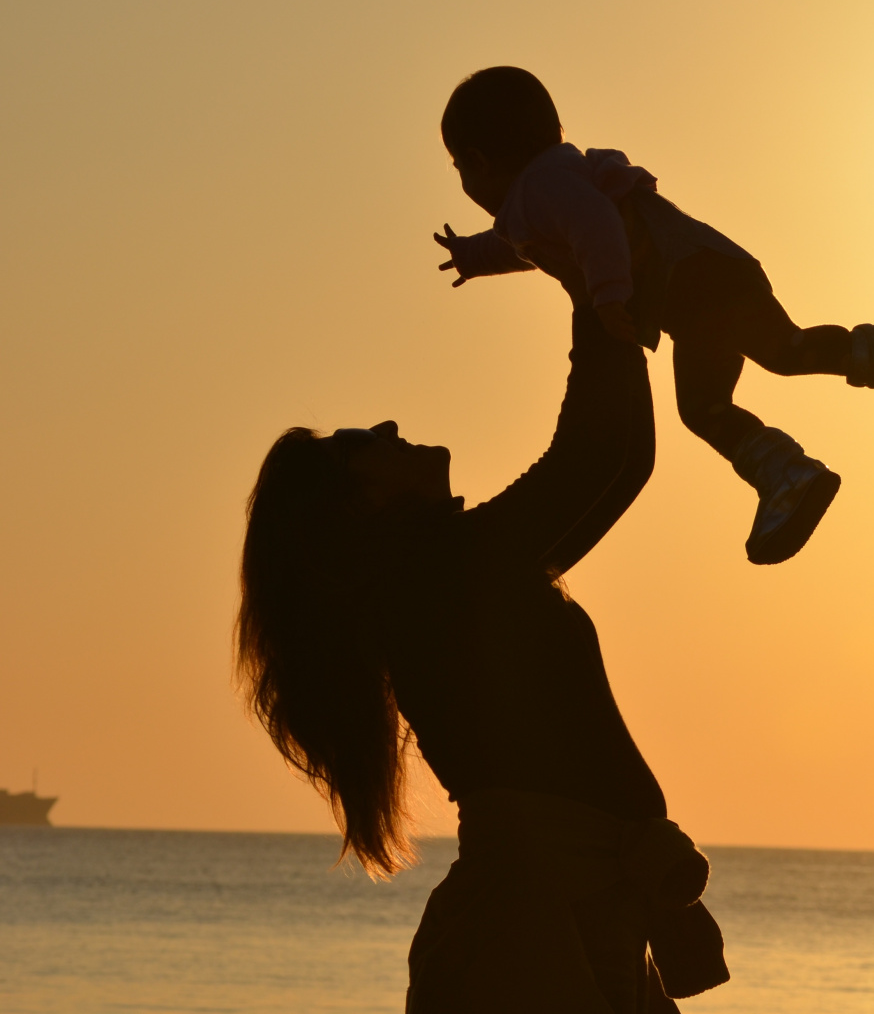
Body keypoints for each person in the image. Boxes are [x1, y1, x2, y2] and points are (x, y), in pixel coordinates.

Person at [236, 291, 724, 1012]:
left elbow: (621, 466)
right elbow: (595, 459)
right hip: (530, 927)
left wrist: (609, 298)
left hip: (564, 916)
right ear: (354, 506)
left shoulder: (458, 575)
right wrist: (592, 282)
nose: (388, 425)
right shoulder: (444, 575)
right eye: (360, 443)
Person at [432, 66, 874, 565]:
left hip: (699, 277)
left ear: (478, 161)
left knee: (779, 353)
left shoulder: (542, 189)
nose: (463, 181)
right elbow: (520, 245)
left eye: (459, 168)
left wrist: (610, 297)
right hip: (693, 296)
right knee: (720, 395)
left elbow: (594, 227)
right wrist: (471, 258)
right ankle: (789, 472)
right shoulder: (543, 192)